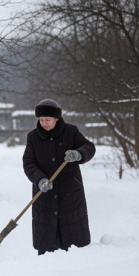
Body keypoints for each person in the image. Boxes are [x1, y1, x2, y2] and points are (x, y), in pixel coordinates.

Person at [22, 99, 96, 255]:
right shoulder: (33, 137)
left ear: (56, 118)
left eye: (47, 120)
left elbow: (89, 147)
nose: (44, 123)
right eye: (41, 120)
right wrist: (40, 179)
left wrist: (79, 154)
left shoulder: (71, 132)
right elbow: (28, 163)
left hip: (71, 195)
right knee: (47, 246)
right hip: (44, 196)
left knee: (74, 246)